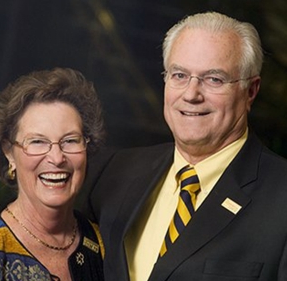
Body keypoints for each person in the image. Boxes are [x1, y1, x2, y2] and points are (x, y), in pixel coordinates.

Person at [85, 11, 287, 281]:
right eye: (179, 75)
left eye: (214, 79)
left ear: (250, 91)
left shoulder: (281, 198)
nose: (191, 94)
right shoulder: (115, 172)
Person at [0, 67, 106, 281]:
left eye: (70, 141)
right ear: (9, 153)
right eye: (37, 142)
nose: (56, 158)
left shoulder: (107, 245)